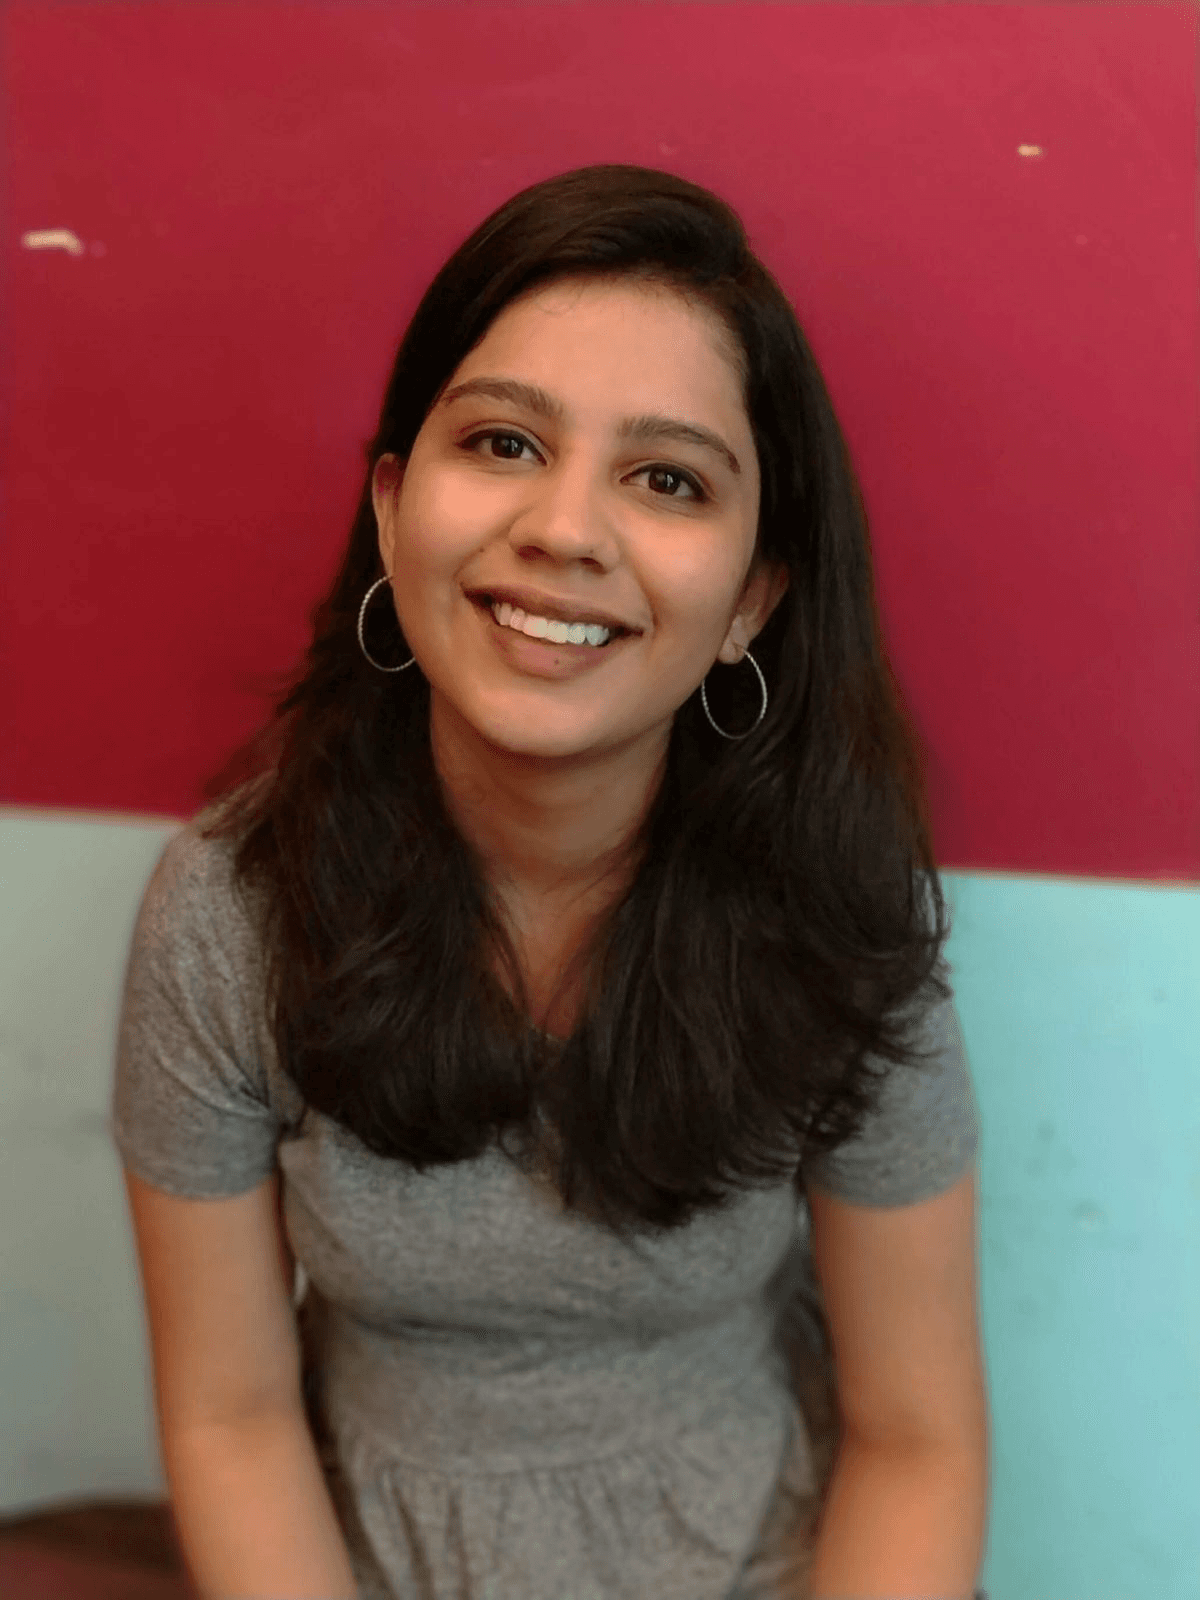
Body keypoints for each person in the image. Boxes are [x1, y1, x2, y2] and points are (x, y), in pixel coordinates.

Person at [112, 164, 988, 1600]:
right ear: (393, 509)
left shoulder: (848, 915)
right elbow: (231, 1419)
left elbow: (918, 1440)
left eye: (667, 478)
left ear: (751, 599)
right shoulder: (229, 915)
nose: (567, 530)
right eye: (504, 442)